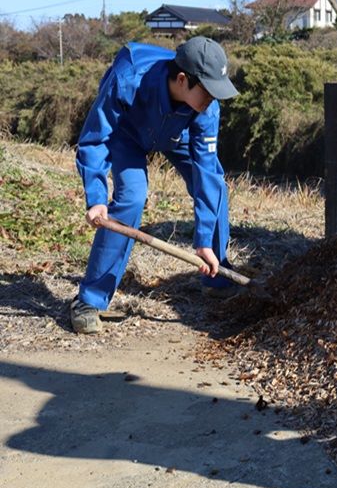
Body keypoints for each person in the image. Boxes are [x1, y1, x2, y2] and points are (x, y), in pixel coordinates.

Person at [71, 36, 240, 335]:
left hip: (179, 131)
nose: (213, 99)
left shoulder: (204, 107)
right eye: (209, 91)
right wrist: (96, 196)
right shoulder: (128, 79)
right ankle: (90, 300)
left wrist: (202, 239)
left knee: (217, 188)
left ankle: (217, 275)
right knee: (132, 197)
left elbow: (207, 173)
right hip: (128, 131)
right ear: (182, 79)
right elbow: (95, 138)